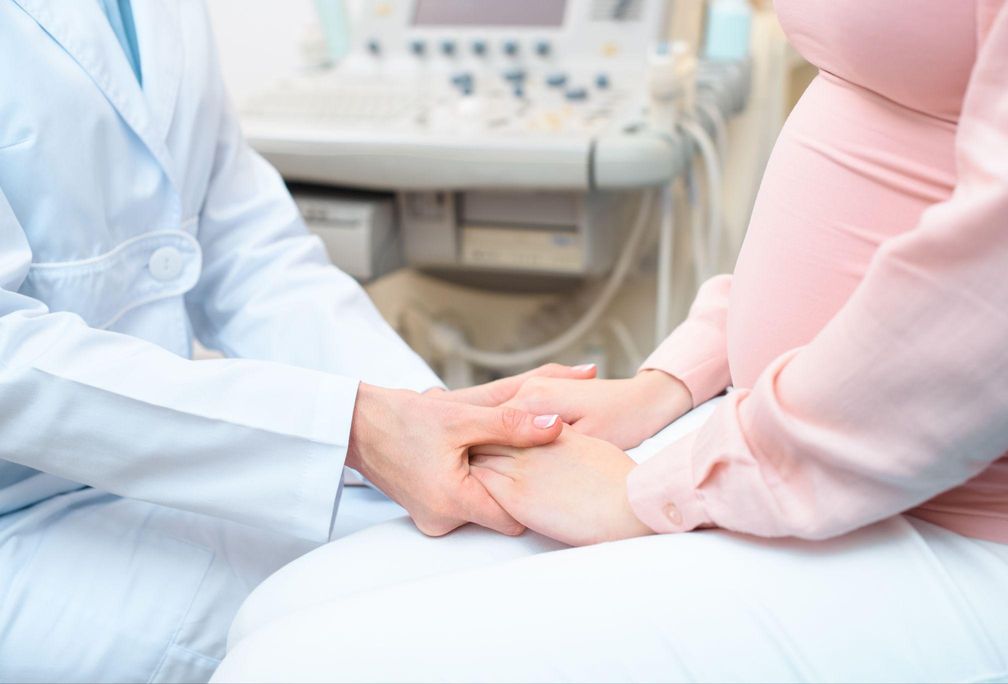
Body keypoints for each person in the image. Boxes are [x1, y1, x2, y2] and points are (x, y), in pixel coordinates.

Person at [213, 0, 1008, 680]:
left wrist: (653, 496)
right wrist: (672, 381)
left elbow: (994, 283)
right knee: (272, 612)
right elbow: (900, 180)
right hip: (808, 436)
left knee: (287, 669)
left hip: (966, 517)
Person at [0, 1, 597, 681]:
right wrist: (353, 428)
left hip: (146, 475)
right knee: (401, 634)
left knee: (478, 570)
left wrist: (429, 416)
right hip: (17, 517)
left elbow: (246, 248)